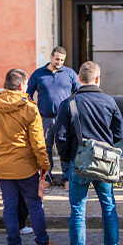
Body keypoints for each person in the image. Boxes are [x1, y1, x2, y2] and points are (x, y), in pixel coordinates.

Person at [0, 68, 60, 245]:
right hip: (26, 167)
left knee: (9, 206)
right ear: (22, 85)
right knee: (34, 205)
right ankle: (43, 244)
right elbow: (38, 142)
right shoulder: (29, 108)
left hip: (2, 166)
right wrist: (44, 165)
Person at [55, 61, 123, 245]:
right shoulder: (109, 101)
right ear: (98, 79)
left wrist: (68, 159)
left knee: (78, 209)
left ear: (78, 79)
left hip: (79, 162)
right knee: (109, 207)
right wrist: (104, 144)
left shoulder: (69, 103)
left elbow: (60, 137)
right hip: (104, 163)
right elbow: (120, 133)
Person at [27, 46, 80, 191]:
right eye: (57, 59)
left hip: (65, 119)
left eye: (62, 60)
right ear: (51, 57)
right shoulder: (38, 74)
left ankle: (68, 179)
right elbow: (28, 94)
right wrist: (34, 111)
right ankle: (46, 178)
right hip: (46, 118)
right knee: (45, 149)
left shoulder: (70, 74)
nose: (59, 62)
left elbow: (79, 93)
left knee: (66, 148)